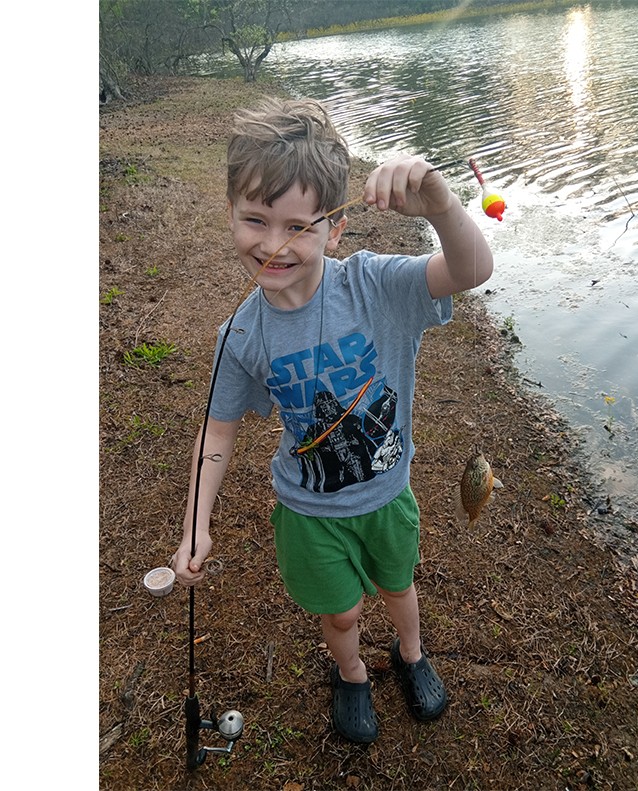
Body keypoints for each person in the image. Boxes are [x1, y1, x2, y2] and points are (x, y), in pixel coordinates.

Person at [171, 97, 494, 744]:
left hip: (386, 495)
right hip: (307, 513)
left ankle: (410, 652)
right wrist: (195, 526)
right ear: (230, 214)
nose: (272, 244)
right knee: (341, 611)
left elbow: (472, 269)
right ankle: (350, 672)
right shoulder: (239, 335)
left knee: (399, 586)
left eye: (297, 226)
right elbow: (218, 431)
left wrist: (441, 205)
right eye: (254, 219)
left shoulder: (376, 287)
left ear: (335, 229)